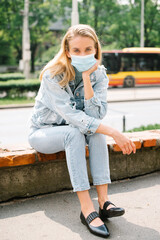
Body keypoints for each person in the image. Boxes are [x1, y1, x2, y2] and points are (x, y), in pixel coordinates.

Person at [28, 24, 136, 238]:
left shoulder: (100, 74)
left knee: (94, 131)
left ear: (96, 49)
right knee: (75, 132)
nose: (83, 54)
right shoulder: (53, 75)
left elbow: (94, 118)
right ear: (67, 51)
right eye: (76, 50)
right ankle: (87, 208)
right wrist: (115, 132)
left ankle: (104, 202)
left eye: (88, 49)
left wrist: (87, 78)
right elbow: (74, 119)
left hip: (74, 130)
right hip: (43, 133)